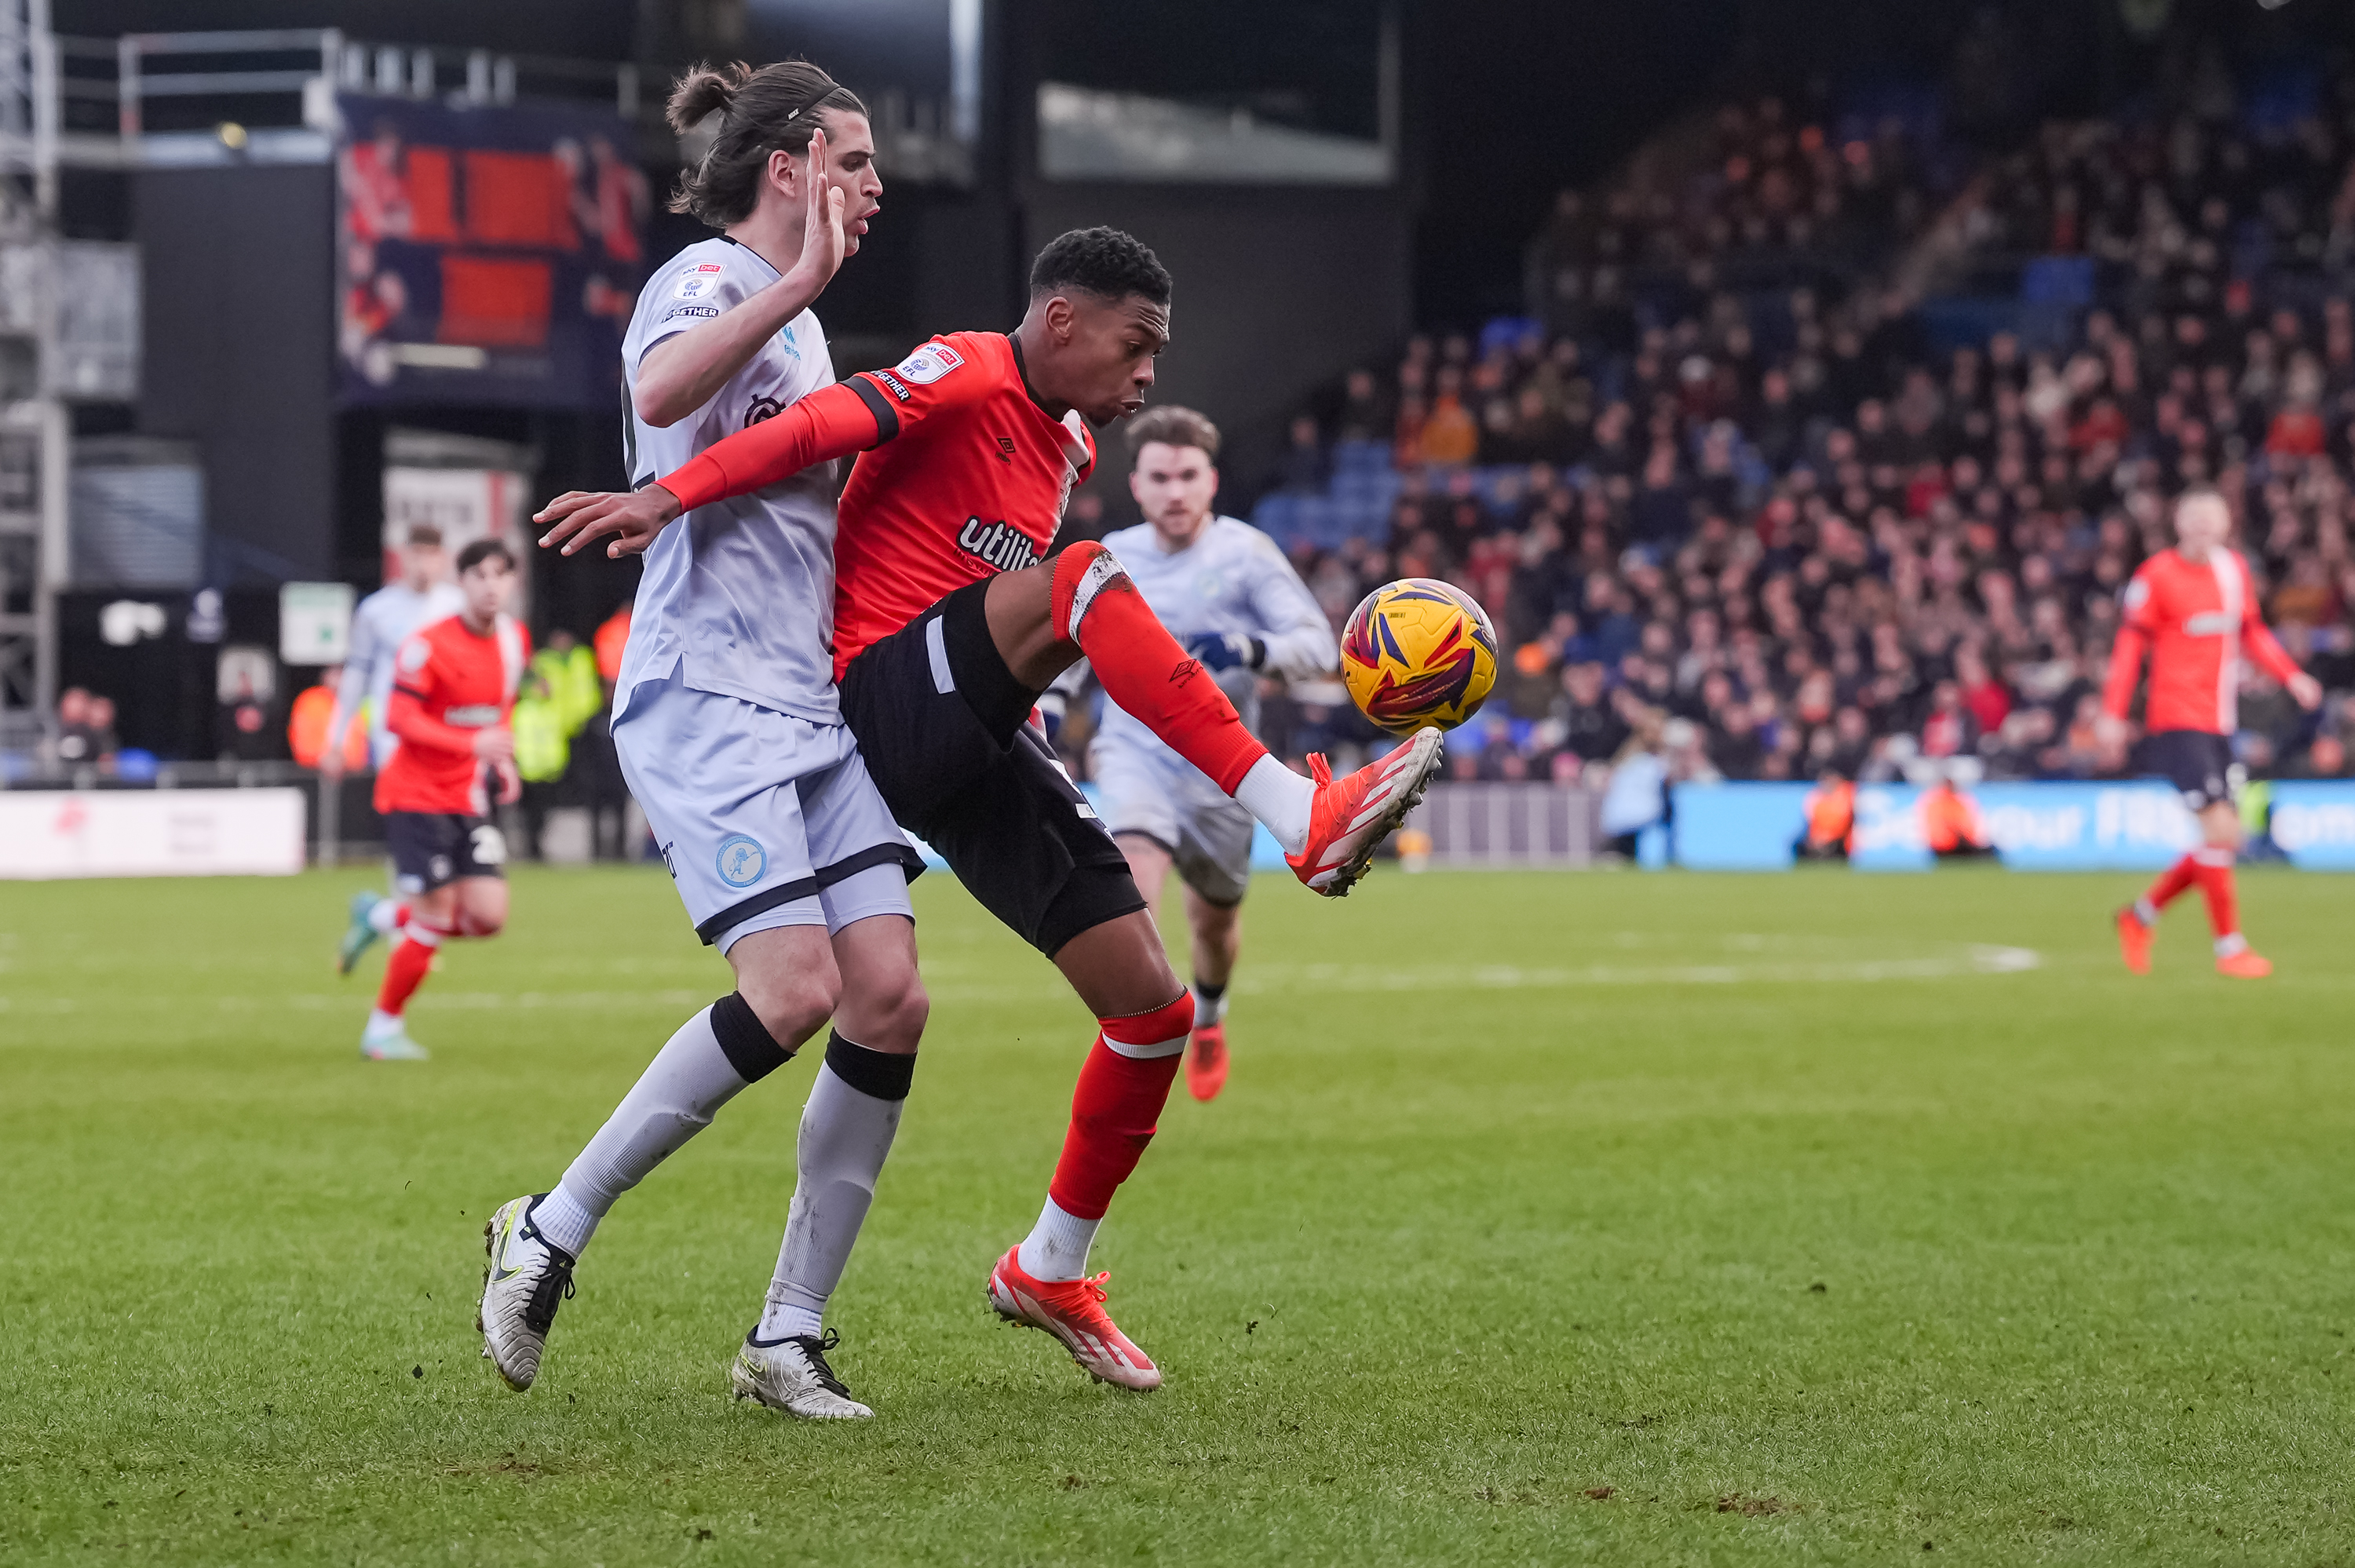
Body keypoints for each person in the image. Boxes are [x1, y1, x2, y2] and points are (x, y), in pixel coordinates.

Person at [538, 225, 1444, 1393]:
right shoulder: (964, 367)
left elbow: (996, 619)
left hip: (967, 732)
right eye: (1138, 346)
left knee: (1151, 1009)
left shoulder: (1063, 452)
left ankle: (1050, 1265)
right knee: (1081, 580)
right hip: (870, 692)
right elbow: (815, 428)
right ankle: (1294, 811)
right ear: (1063, 321)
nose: (1148, 376)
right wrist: (668, 490)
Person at [476, 60, 927, 1424]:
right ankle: (548, 1226)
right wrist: (800, 291)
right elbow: (664, 401)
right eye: (851, 157)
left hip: (810, 696)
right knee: (793, 990)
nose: (874, 181)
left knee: (889, 993)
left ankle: (786, 1334)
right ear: (787, 165)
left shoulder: (798, 330)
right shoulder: (712, 282)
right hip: (706, 693)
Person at [1086, 405, 1337, 1102]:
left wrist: (1255, 650)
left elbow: (1319, 646)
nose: (1175, 491)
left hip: (1222, 765)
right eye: (1160, 477)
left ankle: (1211, 1016)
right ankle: (1143, 1031)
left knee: (1216, 923)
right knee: (1134, 876)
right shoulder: (1114, 555)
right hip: (1134, 749)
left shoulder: (1246, 553)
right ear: (1136, 484)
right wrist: (1045, 703)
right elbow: (1073, 645)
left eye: (1188, 476)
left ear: (1211, 481)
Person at [2103, 488, 2324, 977]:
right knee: (2219, 830)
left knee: (2226, 837)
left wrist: (2292, 676)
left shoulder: (2232, 571)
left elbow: (2253, 632)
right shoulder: (2155, 576)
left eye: (2213, 518)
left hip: (2220, 720)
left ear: (2226, 526)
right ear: (2178, 524)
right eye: (2194, 517)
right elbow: (2127, 647)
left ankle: (2138, 916)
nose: (2203, 526)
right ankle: (2230, 949)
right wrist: (2113, 712)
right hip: (2177, 718)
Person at [348, 538, 528, 1059]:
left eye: (501, 575)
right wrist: (473, 744)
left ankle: (382, 917)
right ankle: (382, 1029)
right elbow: (397, 719)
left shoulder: (514, 640)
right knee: (434, 914)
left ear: (513, 583)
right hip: (415, 795)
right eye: (480, 575)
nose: (491, 585)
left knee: (487, 917)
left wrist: (501, 759)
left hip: (467, 796)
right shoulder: (426, 645)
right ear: (462, 582)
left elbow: (500, 707)